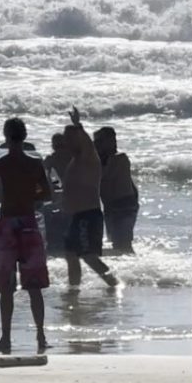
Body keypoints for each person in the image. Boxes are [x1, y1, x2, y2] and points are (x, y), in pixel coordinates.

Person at [0, 117, 53, 353]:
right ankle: (40, 336)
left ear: (6, 136)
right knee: (34, 286)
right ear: (25, 136)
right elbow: (48, 194)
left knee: (7, 287)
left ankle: (6, 338)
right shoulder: (35, 164)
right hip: (29, 224)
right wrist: (30, 195)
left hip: (9, 225)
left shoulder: (0, 164)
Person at [61, 107, 119, 291]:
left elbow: (86, 143)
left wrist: (78, 125)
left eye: (69, 139)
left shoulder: (88, 156)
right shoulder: (75, 160)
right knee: (70, 254)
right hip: (77, 216)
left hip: (89, 215)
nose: (66, 142)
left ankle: (115, 284)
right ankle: (74, 289)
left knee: (88, 256)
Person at [94, 127, 139, 254]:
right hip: (111, 207)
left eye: (99, 142)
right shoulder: (102, 160)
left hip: (124, 206)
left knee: (123, 245)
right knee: (117, 244)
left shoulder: (120, 158)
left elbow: (104, 175)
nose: (97, 145)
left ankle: (138, 270)